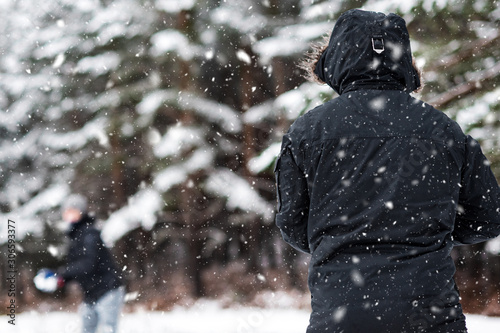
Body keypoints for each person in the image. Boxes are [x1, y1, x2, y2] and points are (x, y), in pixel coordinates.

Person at [274, 9, 500, 333]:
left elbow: (292, 225)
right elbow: (488, 217)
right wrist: (431, 232)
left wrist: (342, 239)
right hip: (431, 316)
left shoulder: (307, 132)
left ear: (336, 58)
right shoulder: (444, 131)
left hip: (341, 316)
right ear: (403, 59)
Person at [58, 194, 124, 333]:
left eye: (73, 210)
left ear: (81, 212)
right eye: (67, 211)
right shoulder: (75, 235)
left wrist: (63, 273)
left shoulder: (89, 234)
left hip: (107, 289)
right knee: (87, 329)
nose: (69, 214)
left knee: (108, 329)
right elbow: (77, 266)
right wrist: (60, 278)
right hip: (91, 293)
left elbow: (88, 264)